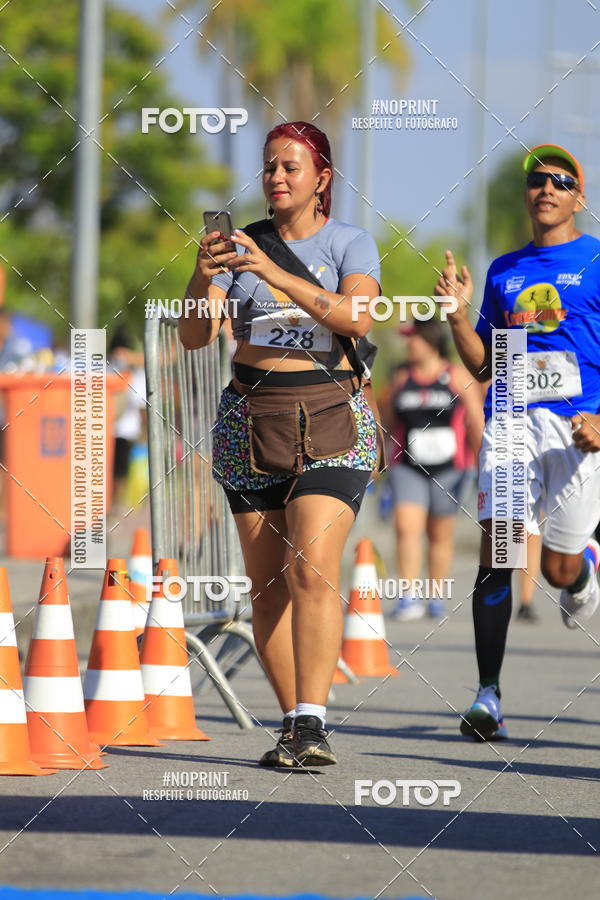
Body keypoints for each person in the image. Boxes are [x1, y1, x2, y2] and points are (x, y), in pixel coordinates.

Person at [178, 121, 382, 767]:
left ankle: (316, 722)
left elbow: (355, 317)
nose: (276, 177)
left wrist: (273, 272)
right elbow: (193, 337)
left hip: (331, 420)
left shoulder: (351, 242)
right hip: (249, 420)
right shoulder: (236, 249)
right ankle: (295, 722)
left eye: (291, 167)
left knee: (310, 569)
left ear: (321, 178)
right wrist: (199, 274)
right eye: (269, 167)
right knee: (267, 586)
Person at [435, 143, 600, 741]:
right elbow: (483, 366)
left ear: (578, 197)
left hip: (578, 432)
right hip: (510, 423)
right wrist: (457, 316)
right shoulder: (505, 270)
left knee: (555, 569)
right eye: (537, 180)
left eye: (561, 180)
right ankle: (488, 695)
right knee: (499, 553)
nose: (547, 188)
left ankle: (581, 569)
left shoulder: (598, 260)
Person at [382, 319, 483, 621]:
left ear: (430, 341)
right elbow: (387, 423)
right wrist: (378, 460)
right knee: (406, 528)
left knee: (439, 534)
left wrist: (482, 465)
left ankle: (435, 595)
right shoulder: (402, 378)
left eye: (413, 339)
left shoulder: (456, 376)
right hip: (407, 466)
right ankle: (408, 597)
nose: (409, 345)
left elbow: (475, 422)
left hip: (450, 468)